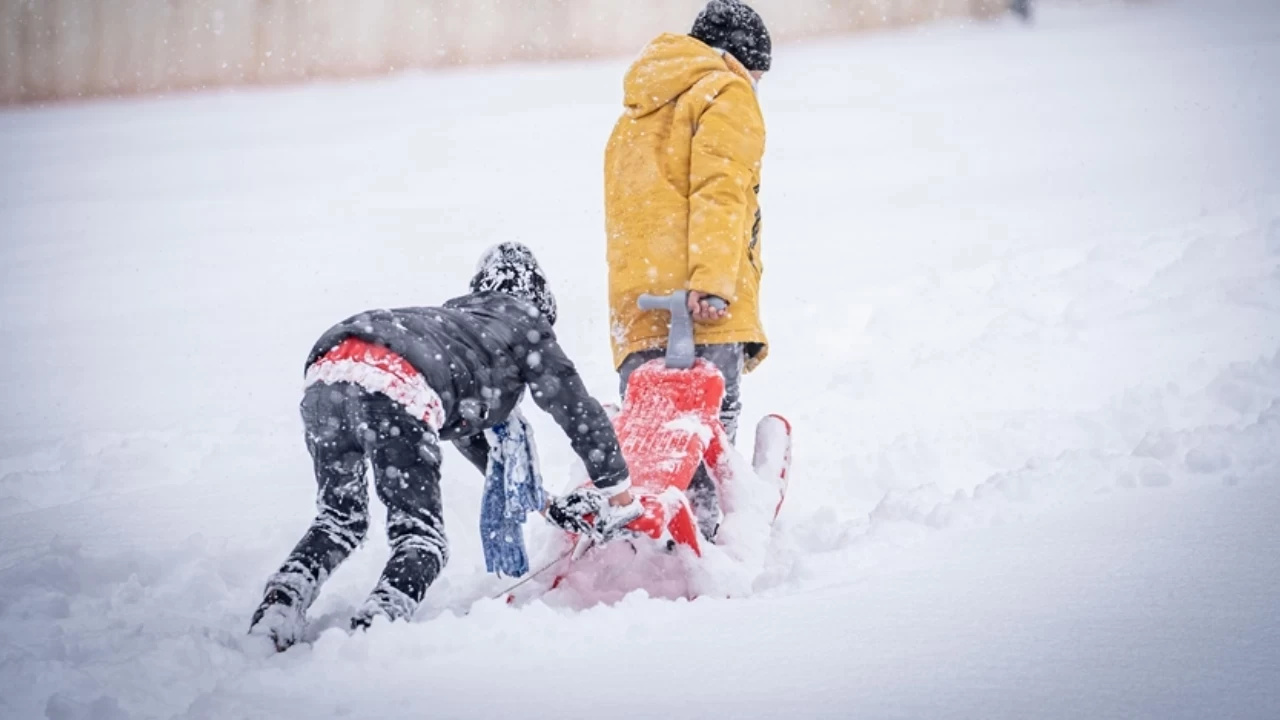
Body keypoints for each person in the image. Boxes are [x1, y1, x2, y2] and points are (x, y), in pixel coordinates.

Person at [249, 243, 639, 651]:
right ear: (539, 300)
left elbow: (480, 448)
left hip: (329, 370)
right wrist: (620, 495)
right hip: (394, 381)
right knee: (422, 540)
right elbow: (577, 410)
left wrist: (547, 505)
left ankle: (281, 604)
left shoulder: (456, 331)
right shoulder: (524, 324)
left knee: (338, 521)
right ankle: (377, 626)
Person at [603, 0, 772, 539]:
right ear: (740, 60)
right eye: (759, 74)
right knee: (709, 425)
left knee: (655, 437)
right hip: (702, 298)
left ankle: (655, 534)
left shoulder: (637, 109)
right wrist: (713, 282)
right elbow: (721, 193)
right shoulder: (726, 91)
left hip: (636, 304)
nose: (757, 85)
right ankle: (715, 532)